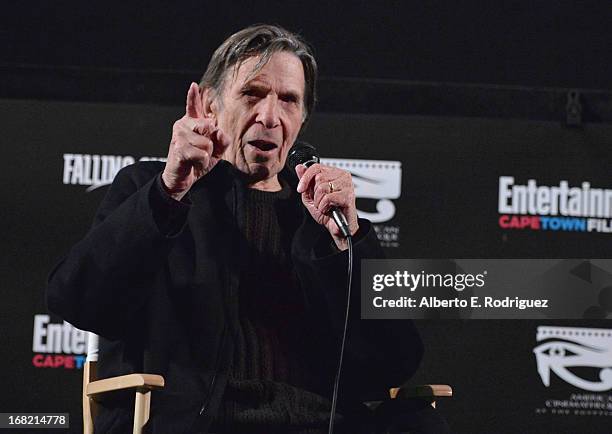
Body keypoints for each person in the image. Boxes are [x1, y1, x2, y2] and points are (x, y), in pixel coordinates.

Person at [46, 24, 439, 433]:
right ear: (210, 106)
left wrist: (348, 243)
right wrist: (169, 193)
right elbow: (78, 300)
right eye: (252, 94)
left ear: (301, 121)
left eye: (289, 100)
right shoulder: (153, 191)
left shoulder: (322, 216)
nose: (270, 116)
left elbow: (395, 363)